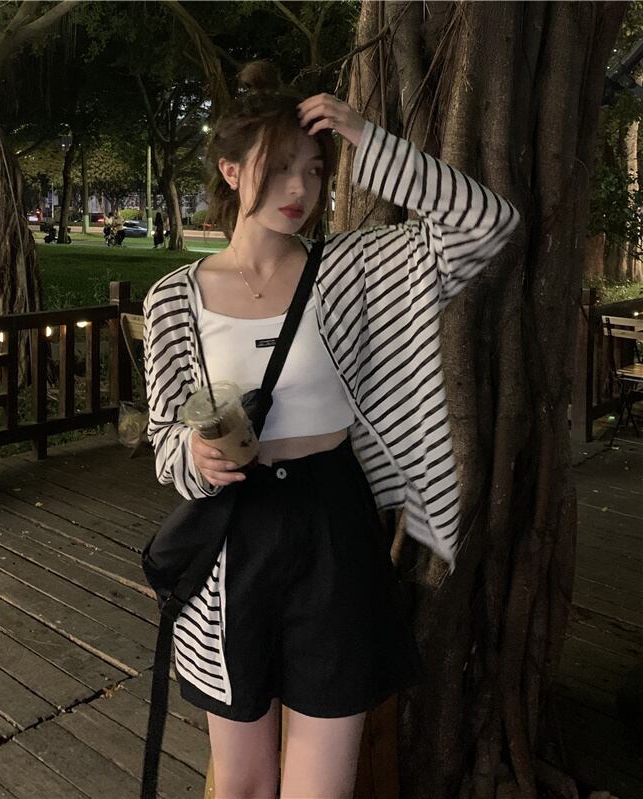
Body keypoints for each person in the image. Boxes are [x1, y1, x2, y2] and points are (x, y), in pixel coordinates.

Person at [143, 61, 519, 798]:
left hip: (334, 524)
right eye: (279, 167)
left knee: (323, 786)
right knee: (242, 782)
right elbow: (164, 439)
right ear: (230, 171)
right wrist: (195, 456)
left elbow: (489, 222)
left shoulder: (354, 270)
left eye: (315, 169)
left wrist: (365, 137)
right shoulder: (174, 299)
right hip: (232, 535)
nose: (300, 188)